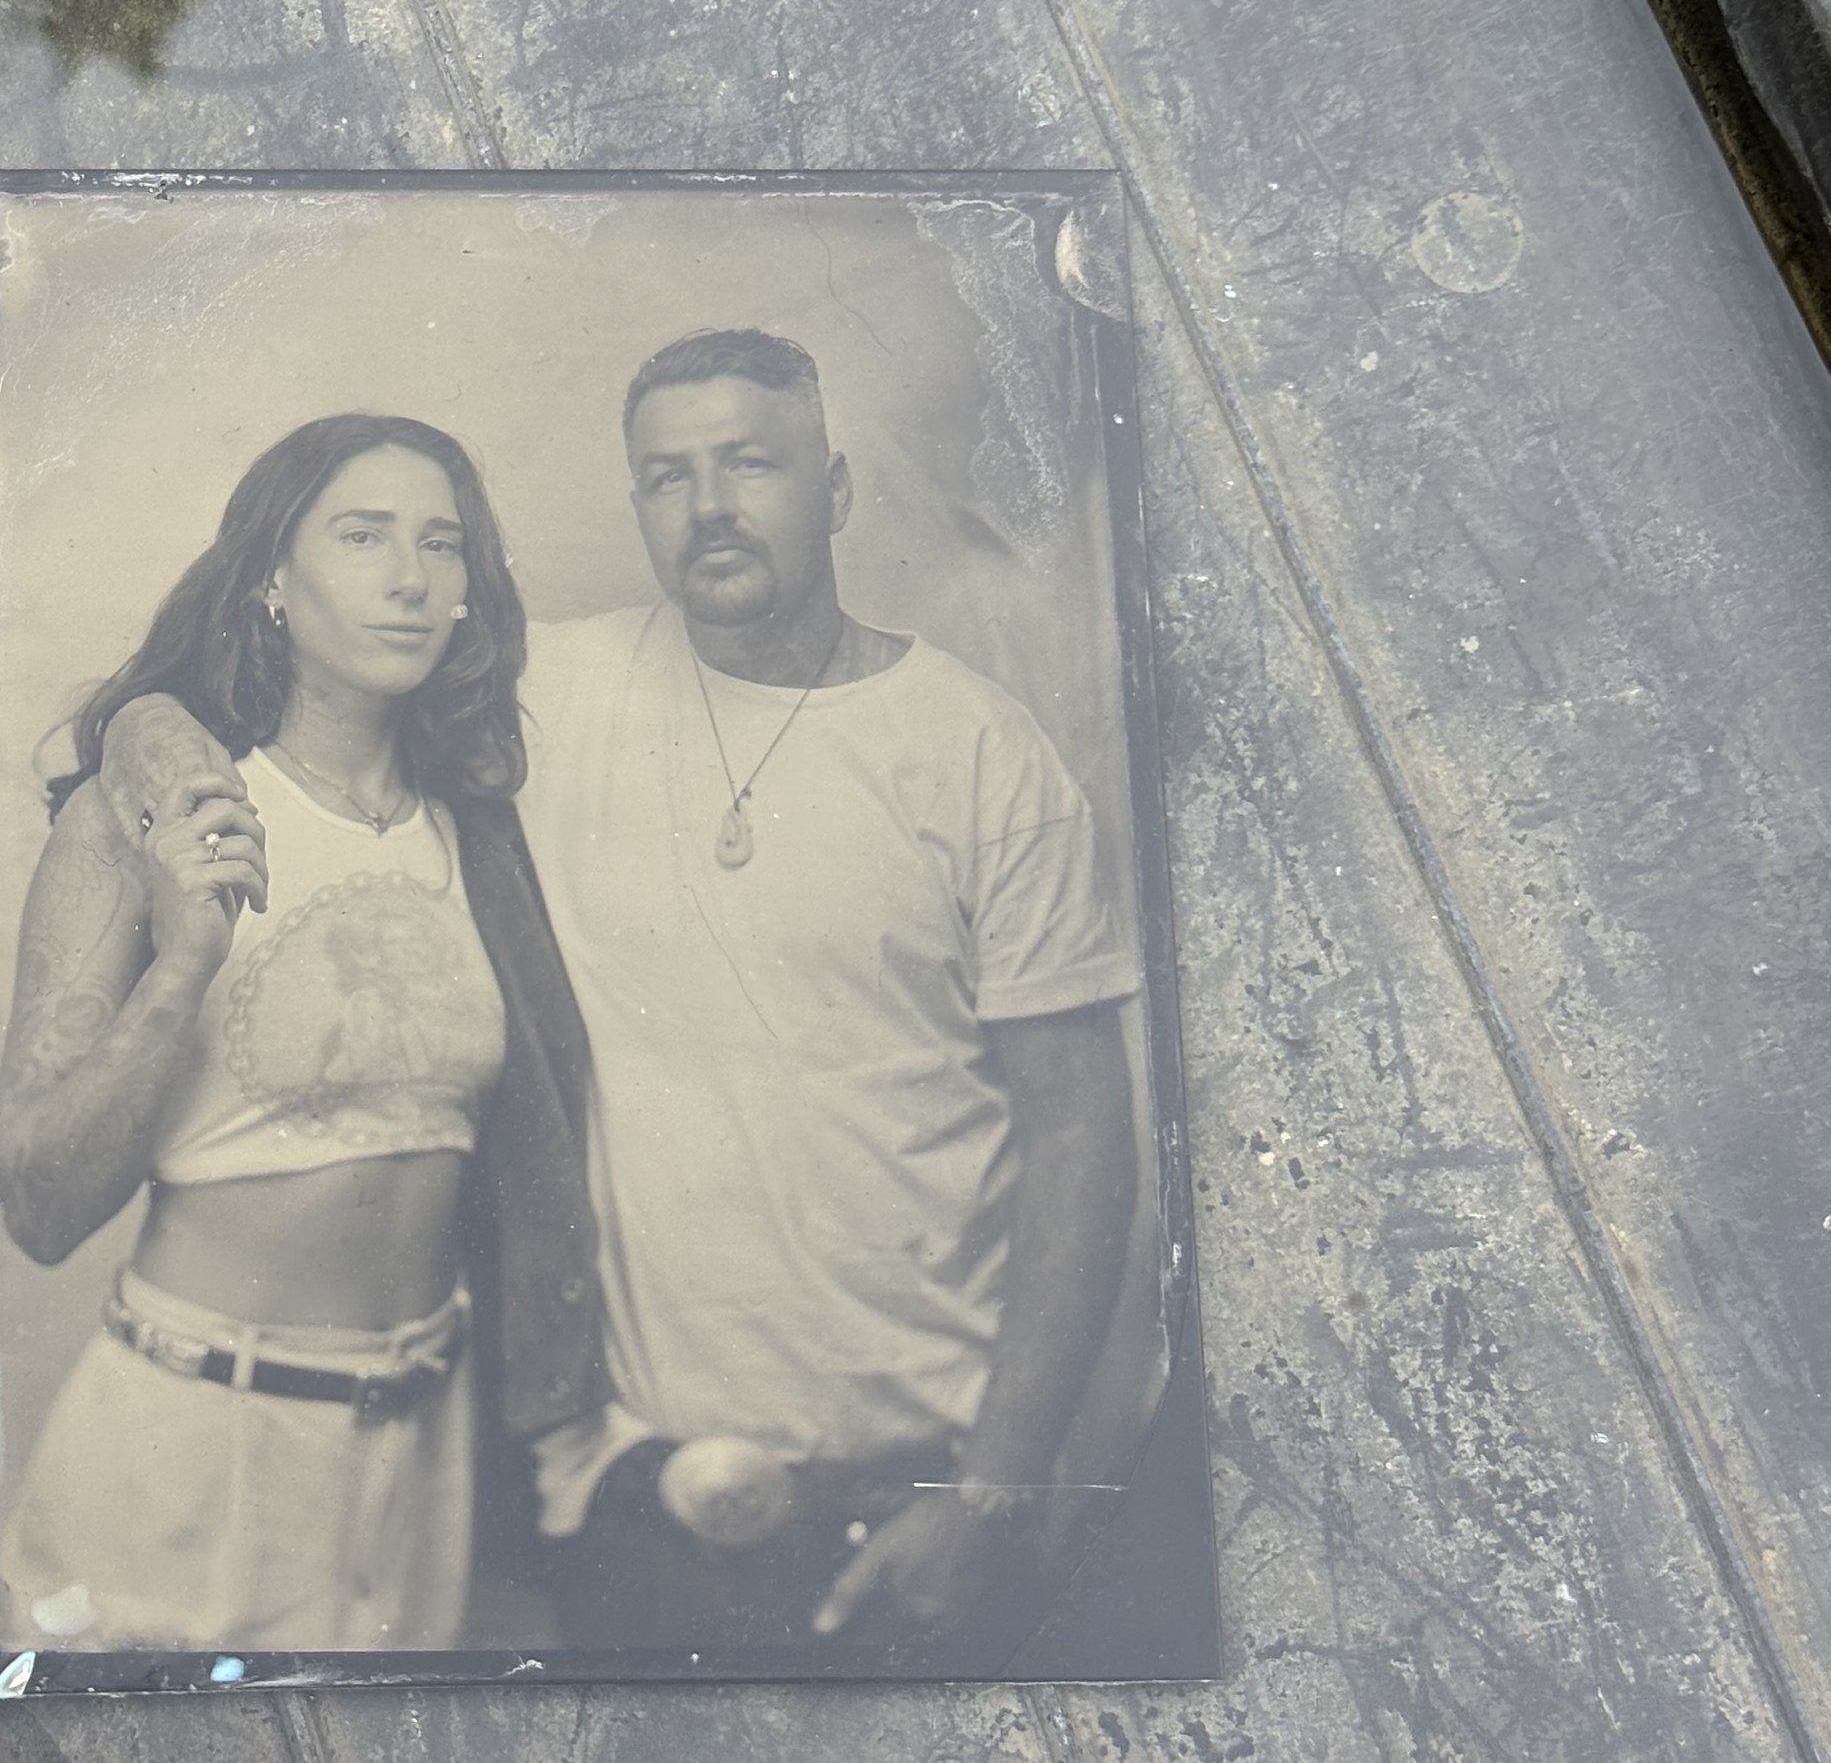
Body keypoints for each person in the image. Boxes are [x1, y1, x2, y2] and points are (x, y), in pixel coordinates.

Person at [103, 329, 1144, 1669]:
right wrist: (154, 743)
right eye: (668, 476)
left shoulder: (979, 750)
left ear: (831, 490)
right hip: (647, 1507)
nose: (710, 506)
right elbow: (232, 682)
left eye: (750, 463)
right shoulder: (554, 691)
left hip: (923, 1488)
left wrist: (993, 1495)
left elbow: (1081, 1135)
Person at [0, 412, 600, 1656]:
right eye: (363, 535)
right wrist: (189, 954)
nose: (409, 578)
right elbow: (40, 1202)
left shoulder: (485, 835)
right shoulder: (149, 817)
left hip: (424, 1463)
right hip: (194, 1442)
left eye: (442, 545)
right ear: (271, 577)